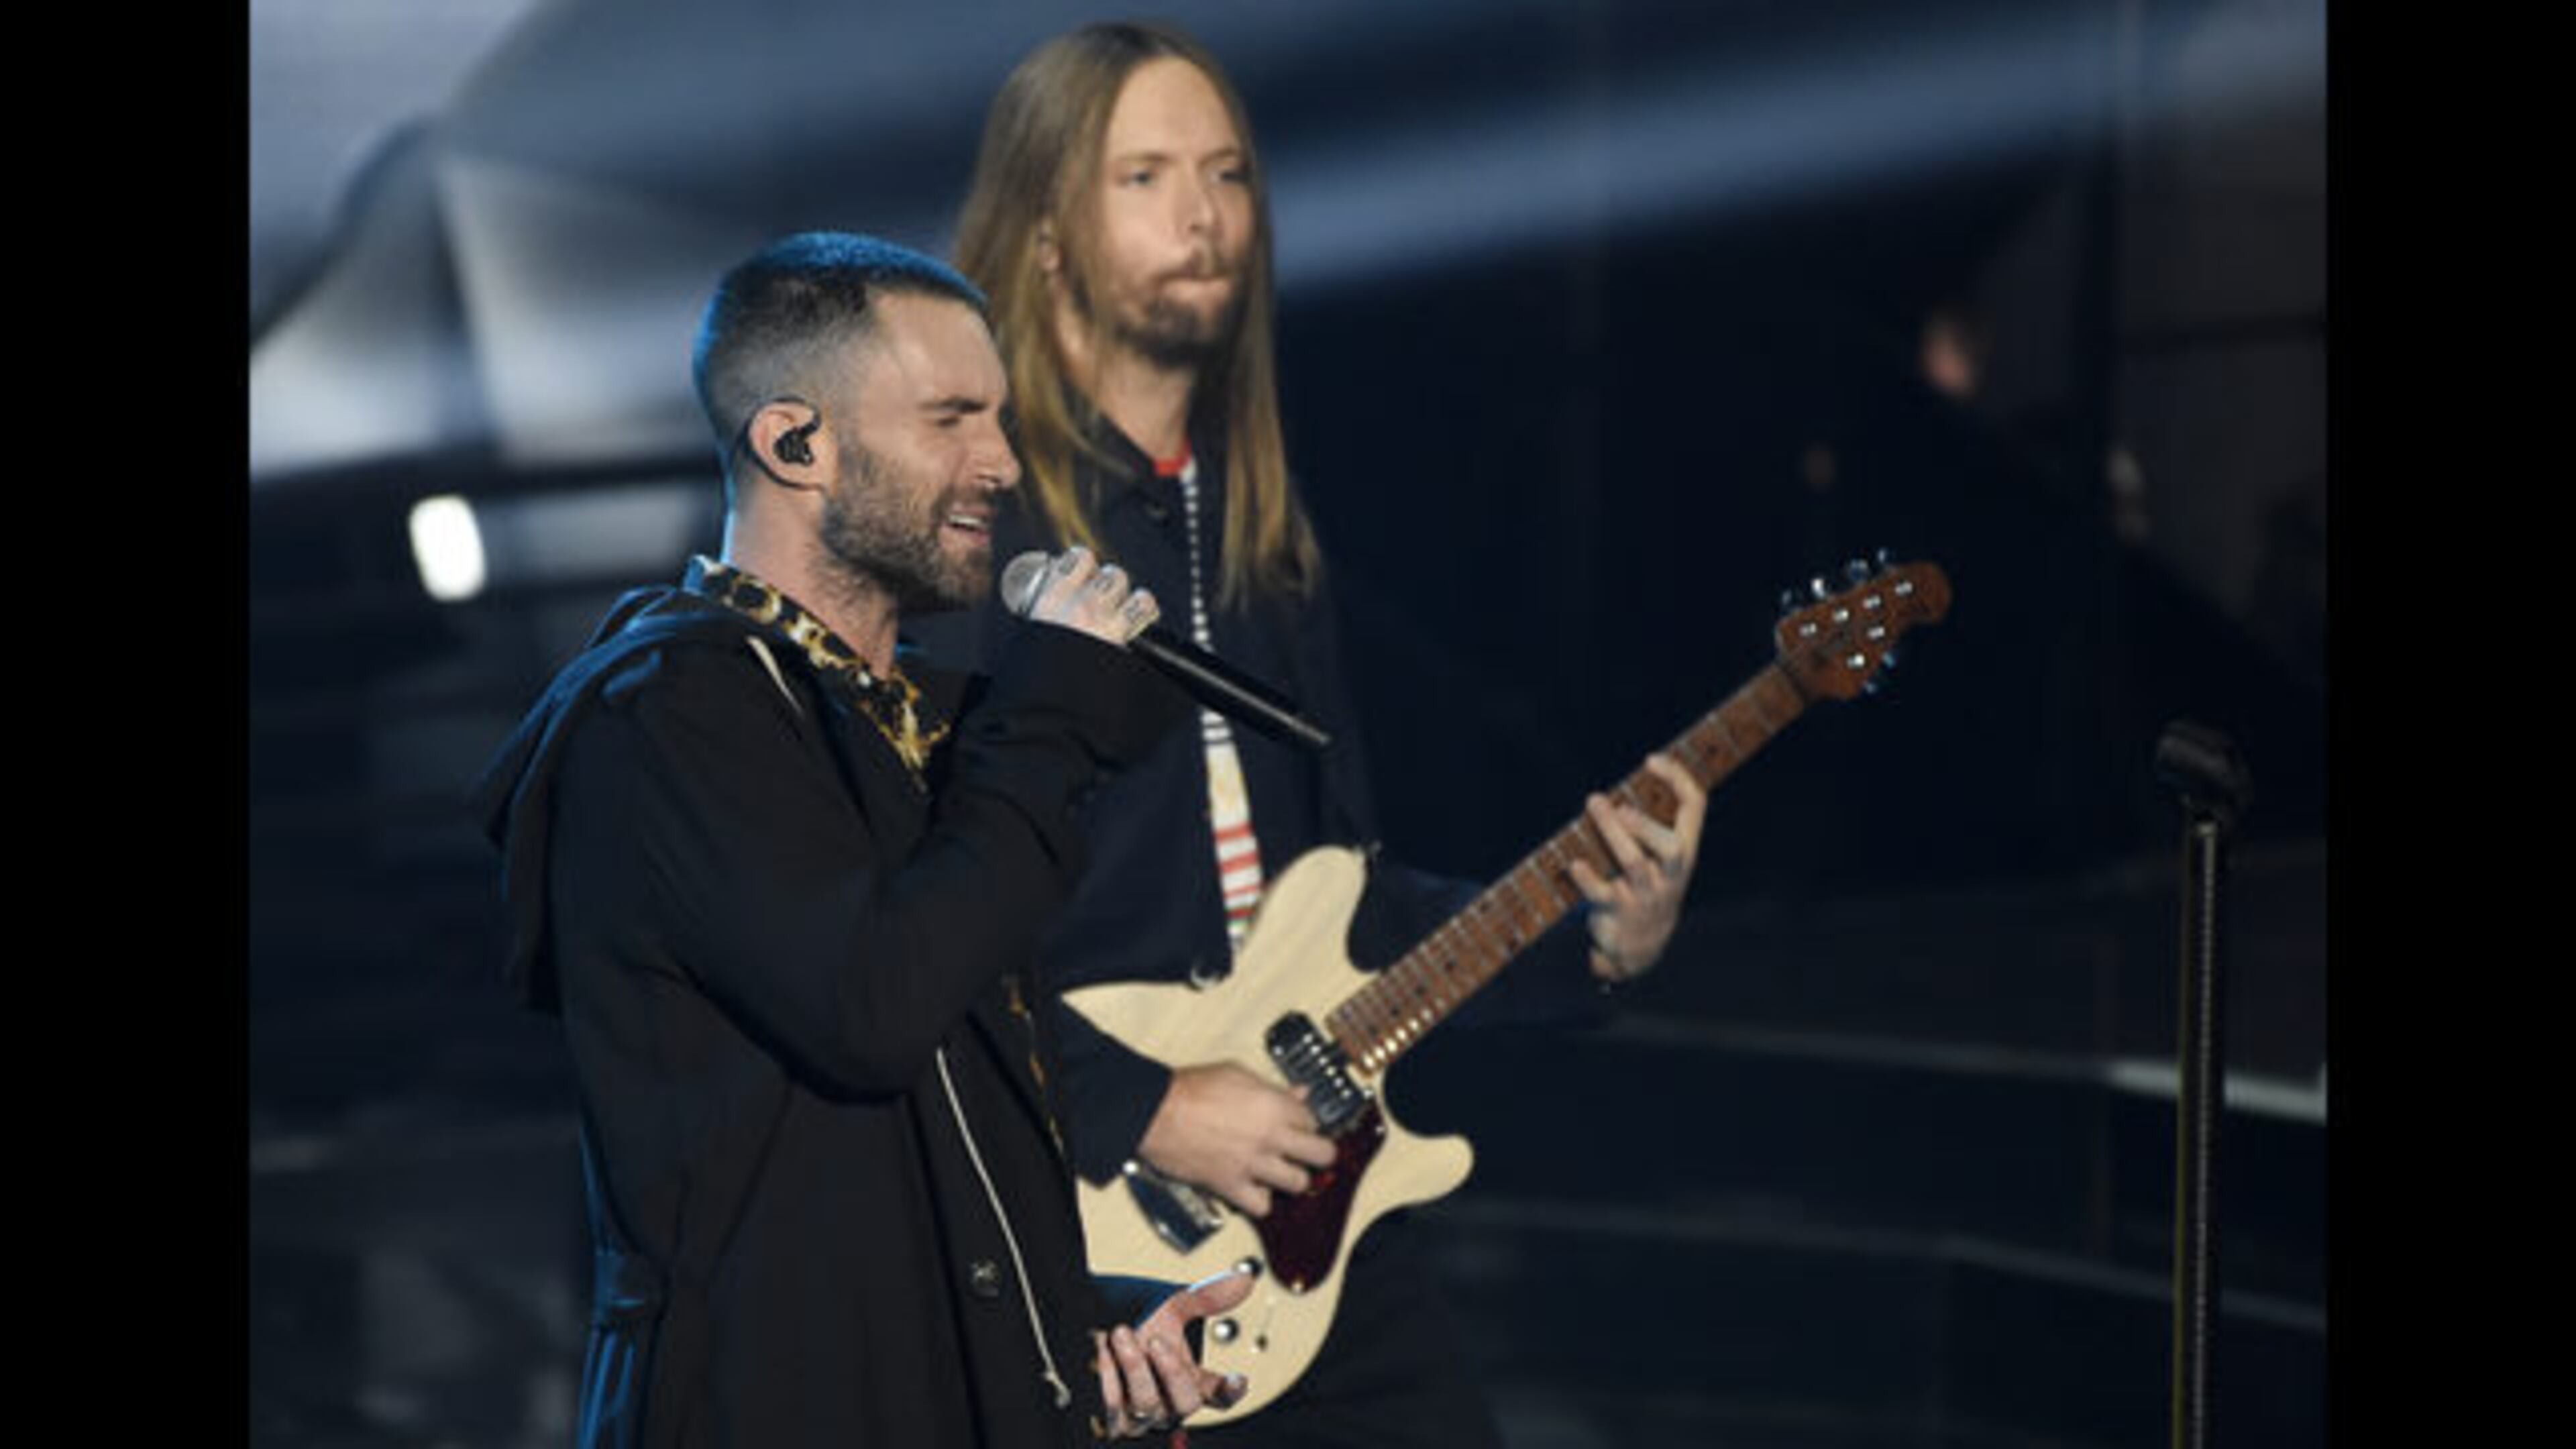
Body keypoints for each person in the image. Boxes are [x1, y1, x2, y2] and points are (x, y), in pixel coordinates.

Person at [932, 23, 1709, 1445]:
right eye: (1145, 176)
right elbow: (895, 921)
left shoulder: (1262, 532)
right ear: (1044, 235)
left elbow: (1354, 897)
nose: (1202, 215)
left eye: (1227, 173)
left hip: (1304, 1196)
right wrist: (1142, 1107)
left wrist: (1598, 940)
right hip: (1071, 1212)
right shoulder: (976, 532)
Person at [474, 231, 1260, 1448]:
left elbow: (921, 1166)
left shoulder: (916, 725)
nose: (1002, 463)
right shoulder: (670, 715)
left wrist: (1076, 1326)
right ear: (796, 443)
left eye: (999, 419)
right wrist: (1045, 719)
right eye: (951, 419)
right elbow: (872, 1007)